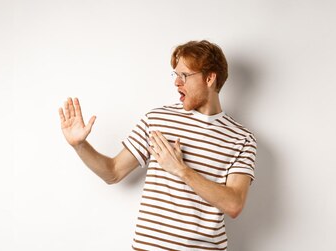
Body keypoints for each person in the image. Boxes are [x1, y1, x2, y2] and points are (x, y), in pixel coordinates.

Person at [58, 40, 257, 250]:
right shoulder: (157, 120)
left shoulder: (241, 138)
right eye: (175, 75)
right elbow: (113, 172)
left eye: (185, 76)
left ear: (210, 78)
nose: (176, 83)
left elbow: (234, 204)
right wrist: (80, 145)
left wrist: (181, 170)